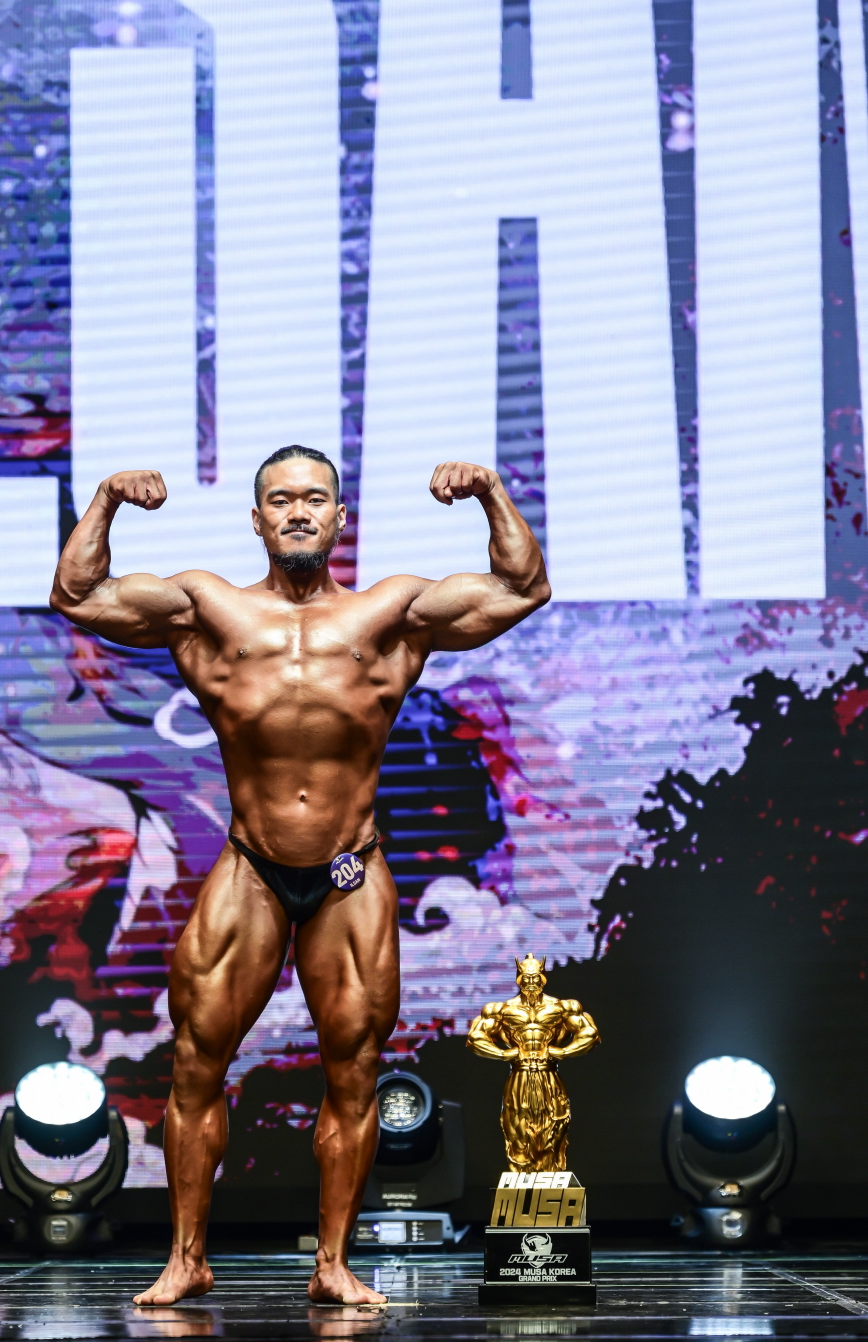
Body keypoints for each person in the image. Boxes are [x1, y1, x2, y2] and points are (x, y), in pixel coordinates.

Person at [50, 445, 550, 1304]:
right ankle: (186, 1259)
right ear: (257, 519)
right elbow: (77, 594)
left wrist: (492, 492)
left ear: (339, 517)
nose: (298, 512)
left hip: (350, 872)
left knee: (353, 1069)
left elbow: (522, 588)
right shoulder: (208, 609)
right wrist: (104, 501)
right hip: (251, 866)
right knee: (196, 1061)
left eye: (314, 499)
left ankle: (332, 1266)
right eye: (280, 500)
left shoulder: (391, 613)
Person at [466, 953, 600, 1172]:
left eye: (535, 978)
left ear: (542, 978)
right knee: (516, 1128)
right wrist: (503, 1054)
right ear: (519, 978)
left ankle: (549, 1175)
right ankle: (522, 1175)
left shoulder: (561, 1007)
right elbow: (475, 1037)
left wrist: (564, 1051)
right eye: (526, 979)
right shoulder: (502, 1010)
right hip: (520, 1074)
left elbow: (589, 1033)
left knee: (555, 1125)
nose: (531, 983)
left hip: (548, 1074)